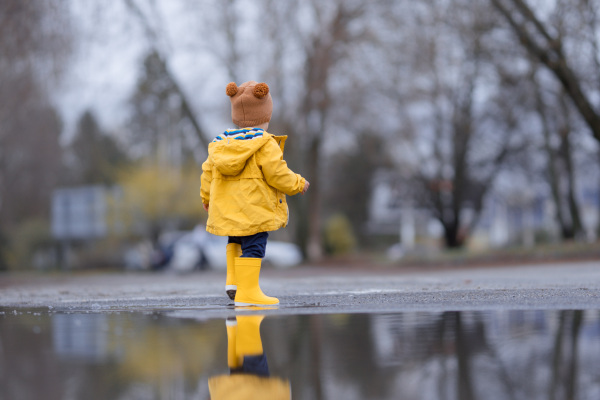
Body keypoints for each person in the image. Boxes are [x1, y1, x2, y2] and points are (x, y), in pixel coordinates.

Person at [200, 81, 309, 306]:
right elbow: (277, 174)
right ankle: (248, 292)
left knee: (235, 239)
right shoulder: (264, 144)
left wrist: (206, 199)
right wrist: (298, 183)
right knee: (255, 245)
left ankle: (233, 282)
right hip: (254, 210)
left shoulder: (218, 146)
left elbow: (207, 175)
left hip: (229, 211)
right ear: (264, 117)